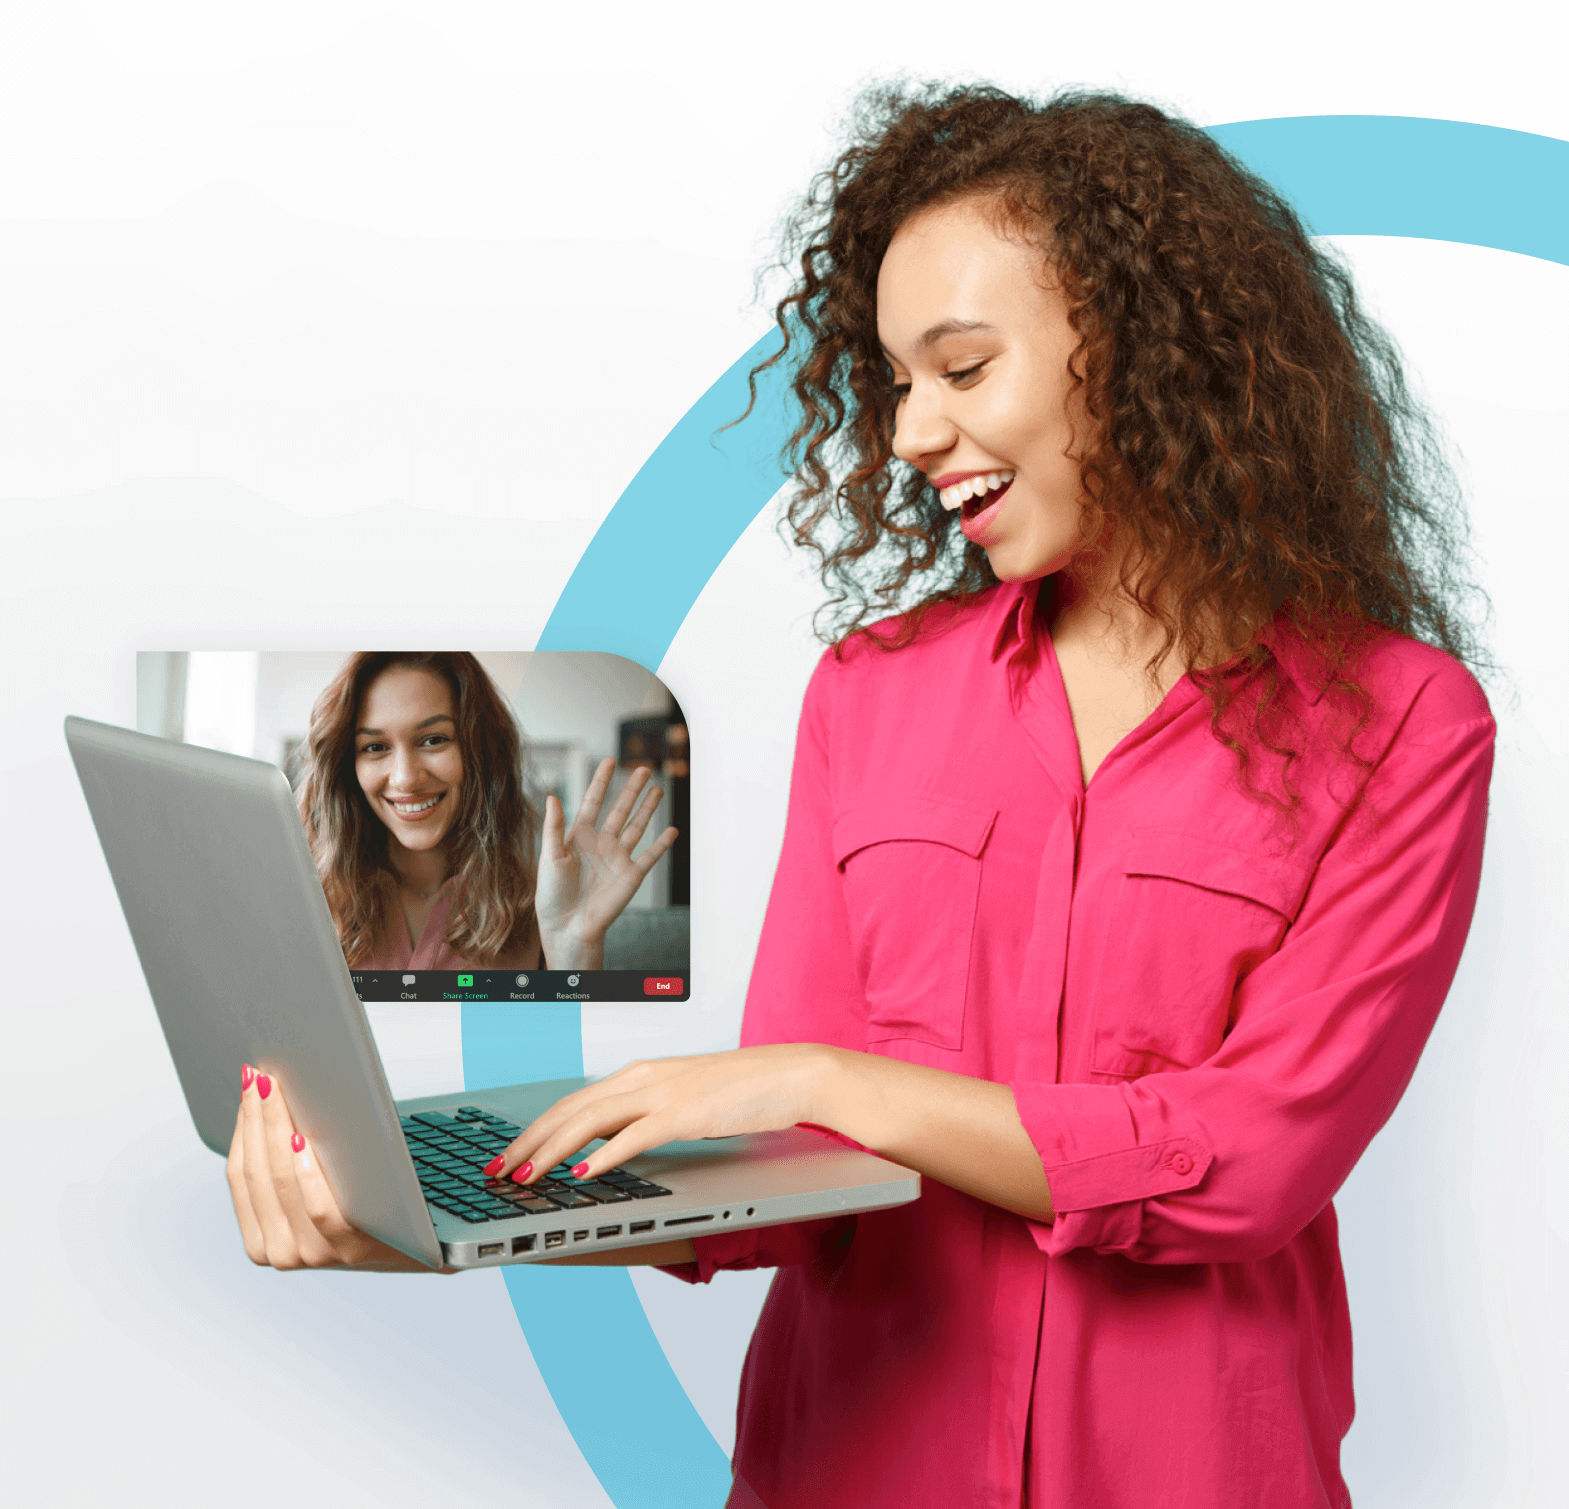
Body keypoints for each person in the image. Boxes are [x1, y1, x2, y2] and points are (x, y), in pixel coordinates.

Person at [227, 89, 1495, 1508]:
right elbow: (780, 1175)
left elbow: (1248, 1160)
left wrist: (832, 1081)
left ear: (1137, 348)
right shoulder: (872, 695)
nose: (908, 433)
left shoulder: (1400, 723)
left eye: (959, 368)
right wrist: (432, 1220)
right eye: (896, 382)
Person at [295, 650, 677, 972]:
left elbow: (564, 1054)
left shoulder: (541, 905)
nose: (406, 778)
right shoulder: (305, 899)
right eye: (375, 747)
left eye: (433, 740)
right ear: (348, 765)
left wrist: (573, 952)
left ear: (480, 752)